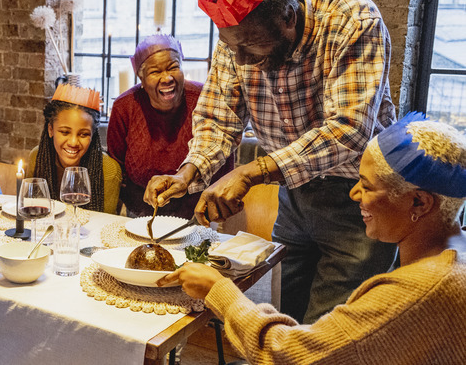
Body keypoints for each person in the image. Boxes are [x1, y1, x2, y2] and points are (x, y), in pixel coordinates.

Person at [145, 0, 397, 323]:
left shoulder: (351, 19)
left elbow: (348, 129)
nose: (242, 60)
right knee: (283, 320)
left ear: (289, 16)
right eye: (234, 48)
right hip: (294, 197)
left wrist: (251, 171)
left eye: (251, 46)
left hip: (360, 203)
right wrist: (189, 172)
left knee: (330, 336)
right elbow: (219, 116)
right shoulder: (237, 37)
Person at [160, 113, 466, 364]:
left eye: (367, 186)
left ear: (419, 203)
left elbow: (290, 355)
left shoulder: (415, 293)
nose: (353, 193)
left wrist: (218, 289)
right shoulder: (454, 254)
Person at [107, 34, 234, 218]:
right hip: (140, 215)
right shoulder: (124, 107)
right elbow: (117, 170)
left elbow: (224, 160)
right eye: (155, 72)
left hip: (196, 216)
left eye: (173, 67)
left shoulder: (204, 100)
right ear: (141, 78)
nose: (166, 78)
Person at [28, 83, 121, 214]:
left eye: (83, 134)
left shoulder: (108, 170)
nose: (73, 142)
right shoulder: (37, 157)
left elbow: (105, 224)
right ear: (51, 129)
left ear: (93, 135)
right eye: (65, 132)